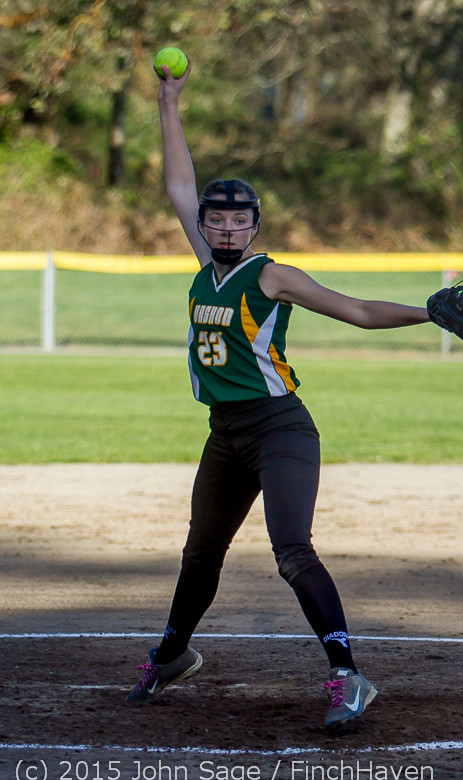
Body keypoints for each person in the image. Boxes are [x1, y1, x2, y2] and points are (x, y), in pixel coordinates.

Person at [125, 57, 430, 729]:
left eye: (240, 221)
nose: (227, 229)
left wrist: (428, 314)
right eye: (217, 219)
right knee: (201, 552)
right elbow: (179, 180)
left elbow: (355, 310)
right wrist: (169, 104)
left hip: (281, 428)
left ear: (256, 226)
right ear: (204, 226)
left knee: (292, 549)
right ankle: (173, 655)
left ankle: (348, 677)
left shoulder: (271, 278)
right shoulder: (206, 266)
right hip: (225, 434)